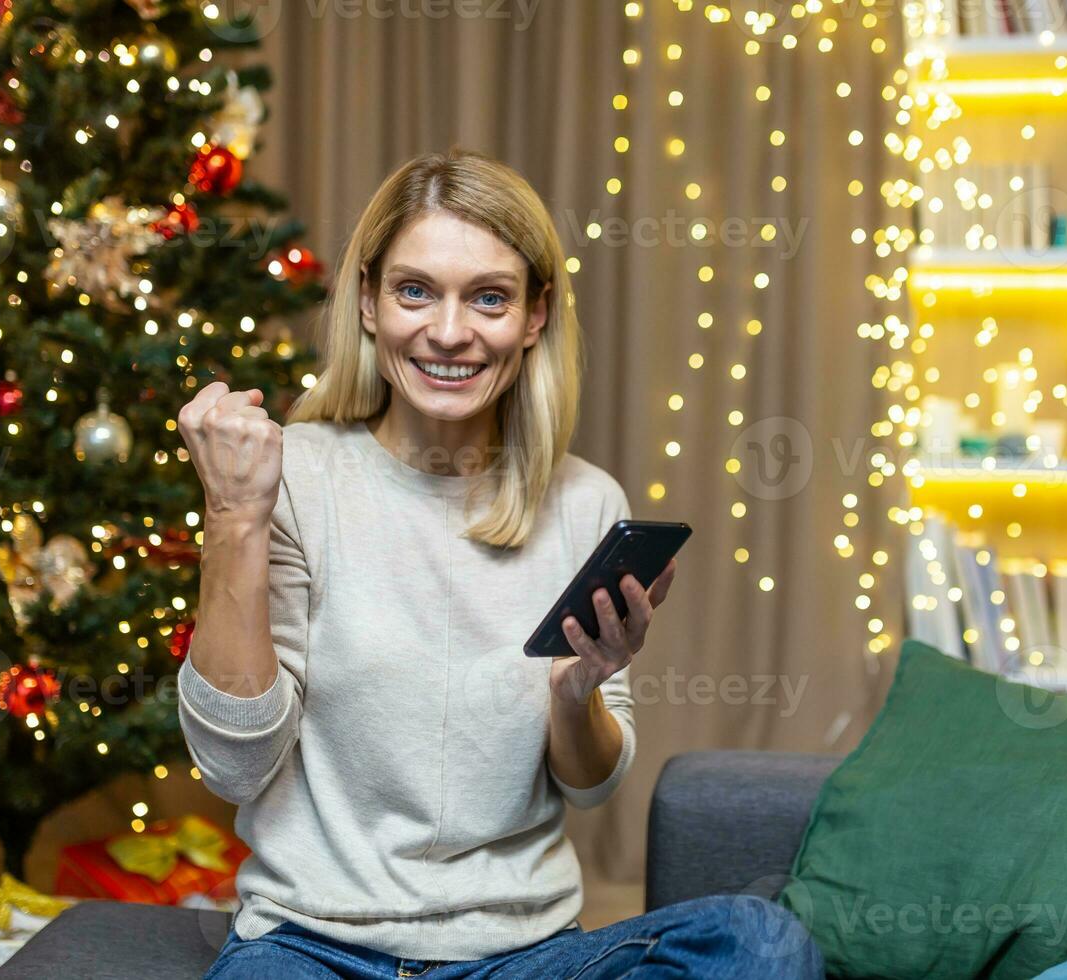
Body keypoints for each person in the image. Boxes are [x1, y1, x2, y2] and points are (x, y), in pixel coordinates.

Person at [175, 149, 822, 979]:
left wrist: (576, 691)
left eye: (488, 297)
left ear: (535, 315)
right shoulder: (289, 476)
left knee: (761, 944)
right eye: (415, 291)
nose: (449, 332)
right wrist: (234, 517)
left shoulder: (588, 503)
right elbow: (235, 767)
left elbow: (587, 784)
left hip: (522, 956)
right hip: (312, 945)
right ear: (368, 303)